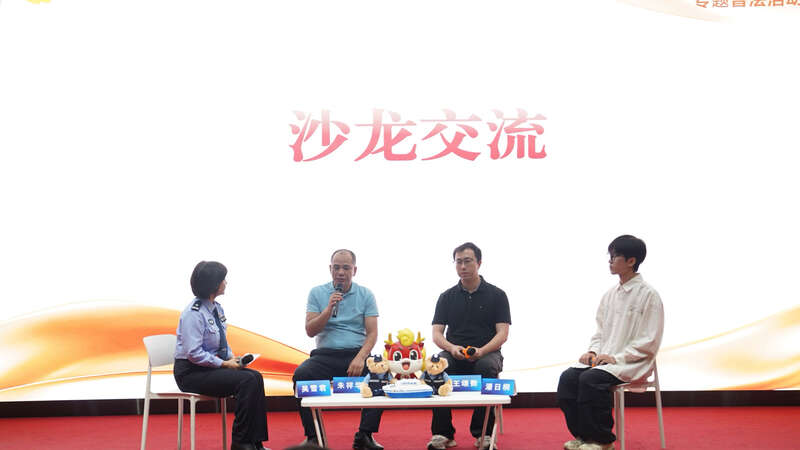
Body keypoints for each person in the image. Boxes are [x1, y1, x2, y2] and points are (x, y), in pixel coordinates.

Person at [557, 235, 664, 450]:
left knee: (591, 379)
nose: (610, 261)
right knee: (568, 378)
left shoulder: (649, 295)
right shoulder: (609, 295)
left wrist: (617, 357)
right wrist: (592, 351)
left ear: (631, 261)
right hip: (605, 361)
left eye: (615, 257)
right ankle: (584, 436)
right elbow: (600, 332)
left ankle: (603, 440)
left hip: (632, 361)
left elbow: (649, 340)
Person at [292, 249, 384, 450]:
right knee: (301, 375)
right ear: (330, 269)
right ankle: (313, 438)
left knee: (381, 376)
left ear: (354, 270)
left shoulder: (366, 294)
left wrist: (361, 357)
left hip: (356, 354)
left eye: (346, 268)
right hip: (325, 356)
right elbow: (310, 331)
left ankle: (365, 435)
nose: (341, 272)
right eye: (336, 267)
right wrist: (328, 309)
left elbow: (372, 334)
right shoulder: (317, 292)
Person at [174, 261, 270, 450]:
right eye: (222, 279)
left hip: (209, 369)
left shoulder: (216, 308)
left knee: (255, 377)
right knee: (247, 381)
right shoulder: (193, 314)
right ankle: (241, 443)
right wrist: (224, 364)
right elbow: (194, 354)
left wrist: (233, 359)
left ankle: (255, 442)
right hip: (191, 373)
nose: (226, 282)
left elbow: (221, 343)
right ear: (213, 284)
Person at [427, 242, 511, 450]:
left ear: (479, 263)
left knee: (486, 366)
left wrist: (482, 351)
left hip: (487, 352)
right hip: (454, 352)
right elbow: (437, 334)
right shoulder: (447, 297)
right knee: (438, 366)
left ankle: (483, 434)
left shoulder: (497, 295)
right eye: (459, 262)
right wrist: (452, 348)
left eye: (468, 261)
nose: (463, 266)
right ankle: (443, 433)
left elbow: (502, 333)